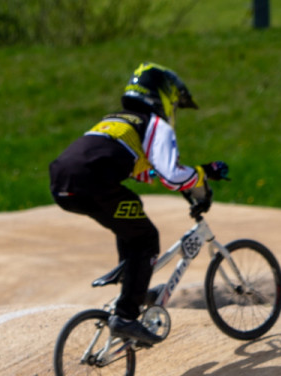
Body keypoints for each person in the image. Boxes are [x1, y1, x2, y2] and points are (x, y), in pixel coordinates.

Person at [49, 62, 229, 345]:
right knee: (146, 238)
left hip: (62, 182)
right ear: (165, 96)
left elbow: (147, 171)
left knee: (130, 216)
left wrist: (187, 183)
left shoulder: (117, 120)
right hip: (91, 182)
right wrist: (207, 172)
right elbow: (171, 174)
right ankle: (126, 316)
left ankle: (133, 281)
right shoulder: (155, 125)